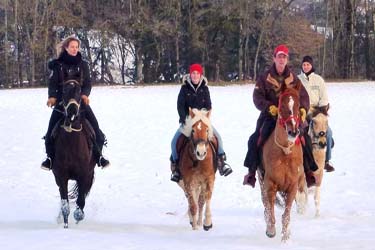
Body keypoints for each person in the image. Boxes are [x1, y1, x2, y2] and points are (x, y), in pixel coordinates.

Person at [243, 44, 318, 187]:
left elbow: (304, 97)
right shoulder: (264, 78)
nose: (282, 60)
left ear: (287, 60)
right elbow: (257, 97)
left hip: (291, 117)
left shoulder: (294, 79)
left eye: (284, 57)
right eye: (279, 57)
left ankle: (309, 172)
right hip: (270, 116)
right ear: (274, 58)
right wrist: (269, 107)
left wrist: (302, 110)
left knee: (305, 139)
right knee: (254, 139)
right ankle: (252, 172)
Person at [41, 35, 110, 170]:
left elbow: (88, 83)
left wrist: (85, 94)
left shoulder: (83, 64)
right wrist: (52, 97)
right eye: (72, 47)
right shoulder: (58, 65)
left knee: (96, 129)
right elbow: (53, 84)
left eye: (76, 47)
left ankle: (99, 156)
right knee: (50, 132)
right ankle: (49, 159)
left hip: (80, 102)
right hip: (62, 103)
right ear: (66, 48)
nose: (74, 49)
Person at [170, 63, 233, 182]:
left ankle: (221, 162)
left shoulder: (205, 88)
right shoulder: (184, 88)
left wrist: (203, 117)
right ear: (190, 74)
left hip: (203, 121)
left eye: (197, 74)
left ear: (200, 75)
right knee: (174, 142)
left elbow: (208, 105)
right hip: (188, 121)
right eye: (193, 73)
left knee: (218, 137)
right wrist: (184, 119)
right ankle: (176, 168)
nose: (195, 76)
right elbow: (180, 106)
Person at [298, 56, 335, 172]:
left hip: (317, 113)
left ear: (312, 66)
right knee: (301, 135)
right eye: (304, 65)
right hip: (303, 113)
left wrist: (318, 112)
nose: (306, 67)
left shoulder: (319, 80)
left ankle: (326, 161)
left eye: (308, 65)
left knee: (328, 133)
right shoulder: (297, 80)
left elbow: (324, 99)